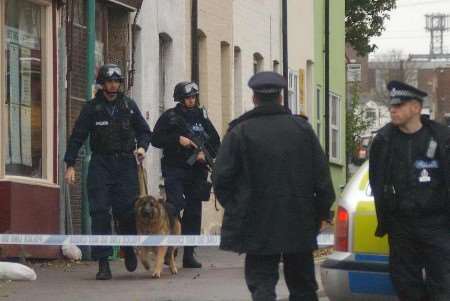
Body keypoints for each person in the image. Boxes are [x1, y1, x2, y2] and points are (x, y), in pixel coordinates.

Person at [213, 71, 335, 301]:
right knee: (303, 288)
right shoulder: (303, 130)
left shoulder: (240, 132)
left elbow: (221, 179)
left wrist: (238, 209)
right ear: (281, 97)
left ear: (254, 98)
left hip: (255, 221)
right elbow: (322, 177)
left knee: (262, 287)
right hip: (298, 220)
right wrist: (321, 212)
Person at [64, 64, 152, 280]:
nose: (113, 85)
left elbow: (144, 131)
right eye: (110, 81)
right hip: (101, 164)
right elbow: (78, 136)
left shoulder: (128, 106)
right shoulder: (92, 108)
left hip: (125, 164)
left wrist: (141, 147)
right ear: (102, 84)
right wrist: (70, 164)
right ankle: (103, 263)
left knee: (127, 211)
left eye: (116, 81)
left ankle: (128, 248)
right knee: (100, 212)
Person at [369, 80, 450, 301]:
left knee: (443, 286)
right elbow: (376, 181)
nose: (392, 110)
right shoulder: (384, 141)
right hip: (401, 227)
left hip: (437, 225)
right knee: (405, 286)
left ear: (416, 108)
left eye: (399, 105)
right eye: (391, 106)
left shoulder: (441, 139)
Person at [151, 81, 220, 268]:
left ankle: (189, 254)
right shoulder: (170, 117)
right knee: (174, 206)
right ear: (180, 99)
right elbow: (155, 139)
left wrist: (204, 155)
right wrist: (176, 140)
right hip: (175, 168)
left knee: (194, 212)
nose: (191, 100)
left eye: (193, 97)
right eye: (188, 97)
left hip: (196, 170)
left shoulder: (201, 116)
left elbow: (215, 140)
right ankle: (170, 248)